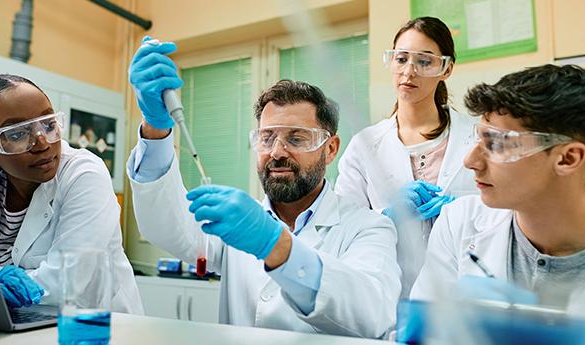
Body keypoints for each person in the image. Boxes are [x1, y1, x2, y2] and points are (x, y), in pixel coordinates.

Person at [127, 36, 401, 338]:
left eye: (297, 138)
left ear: (331, 148)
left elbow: (373, 313)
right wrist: (155, 128)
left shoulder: (368, 227)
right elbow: (166, 227)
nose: (277, 152)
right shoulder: (235, 222)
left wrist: (276, 244)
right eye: (267, 137)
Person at [0, 74, 143, 313]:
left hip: (93, 329)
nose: (42, 143)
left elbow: (67, 282)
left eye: (48, 124)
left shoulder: (83, 173)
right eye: (17, 134)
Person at [410, 64, 585, 323]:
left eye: (498, 143)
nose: (470, 161)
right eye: (479, 138)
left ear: (568, 158)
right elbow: (422, 333)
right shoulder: (457, 223)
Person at [335, 17, 478, 296]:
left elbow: (508, 212)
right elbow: (342, 228)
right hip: (387, 290)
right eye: (401, 59)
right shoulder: (364, 146)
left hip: (464, 291)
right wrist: (387, 216)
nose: (409, 71)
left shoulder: (478, 137)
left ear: (446, 68)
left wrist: (466, 209)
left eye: (424, 62)